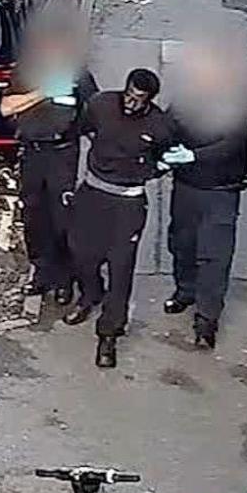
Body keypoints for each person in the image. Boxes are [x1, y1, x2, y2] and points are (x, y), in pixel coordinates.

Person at [64, 69, 175, 368]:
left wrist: (148, 170)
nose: (131, 103)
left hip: (128, 203)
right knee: (81, 253)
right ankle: (89, 295)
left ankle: (109, 333)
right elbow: (85, 128)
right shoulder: (101, 104)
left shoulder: (159, 125)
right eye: (129, 96)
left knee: (121, 266)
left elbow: (165, 158)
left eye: (140, 100)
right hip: (93, 193)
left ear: (150, 101)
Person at [1, 8, 98, 304]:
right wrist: (43, 92)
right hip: (32, 152)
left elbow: (94, 112)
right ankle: (41, 273)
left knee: (62, 218)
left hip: (62, 154)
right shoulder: (25, 71)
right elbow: (7, 107)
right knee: (33, 215)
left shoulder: (78, 75)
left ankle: (64, 280)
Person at [163, 58, 247, 350]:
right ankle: (185, 291)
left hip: (221, 191)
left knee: (214, 255)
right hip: (187, 187)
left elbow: (232, 143)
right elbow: (169, 125)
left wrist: (193, 156)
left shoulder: (238, 104)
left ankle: (206, 319)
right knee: (182, 243)